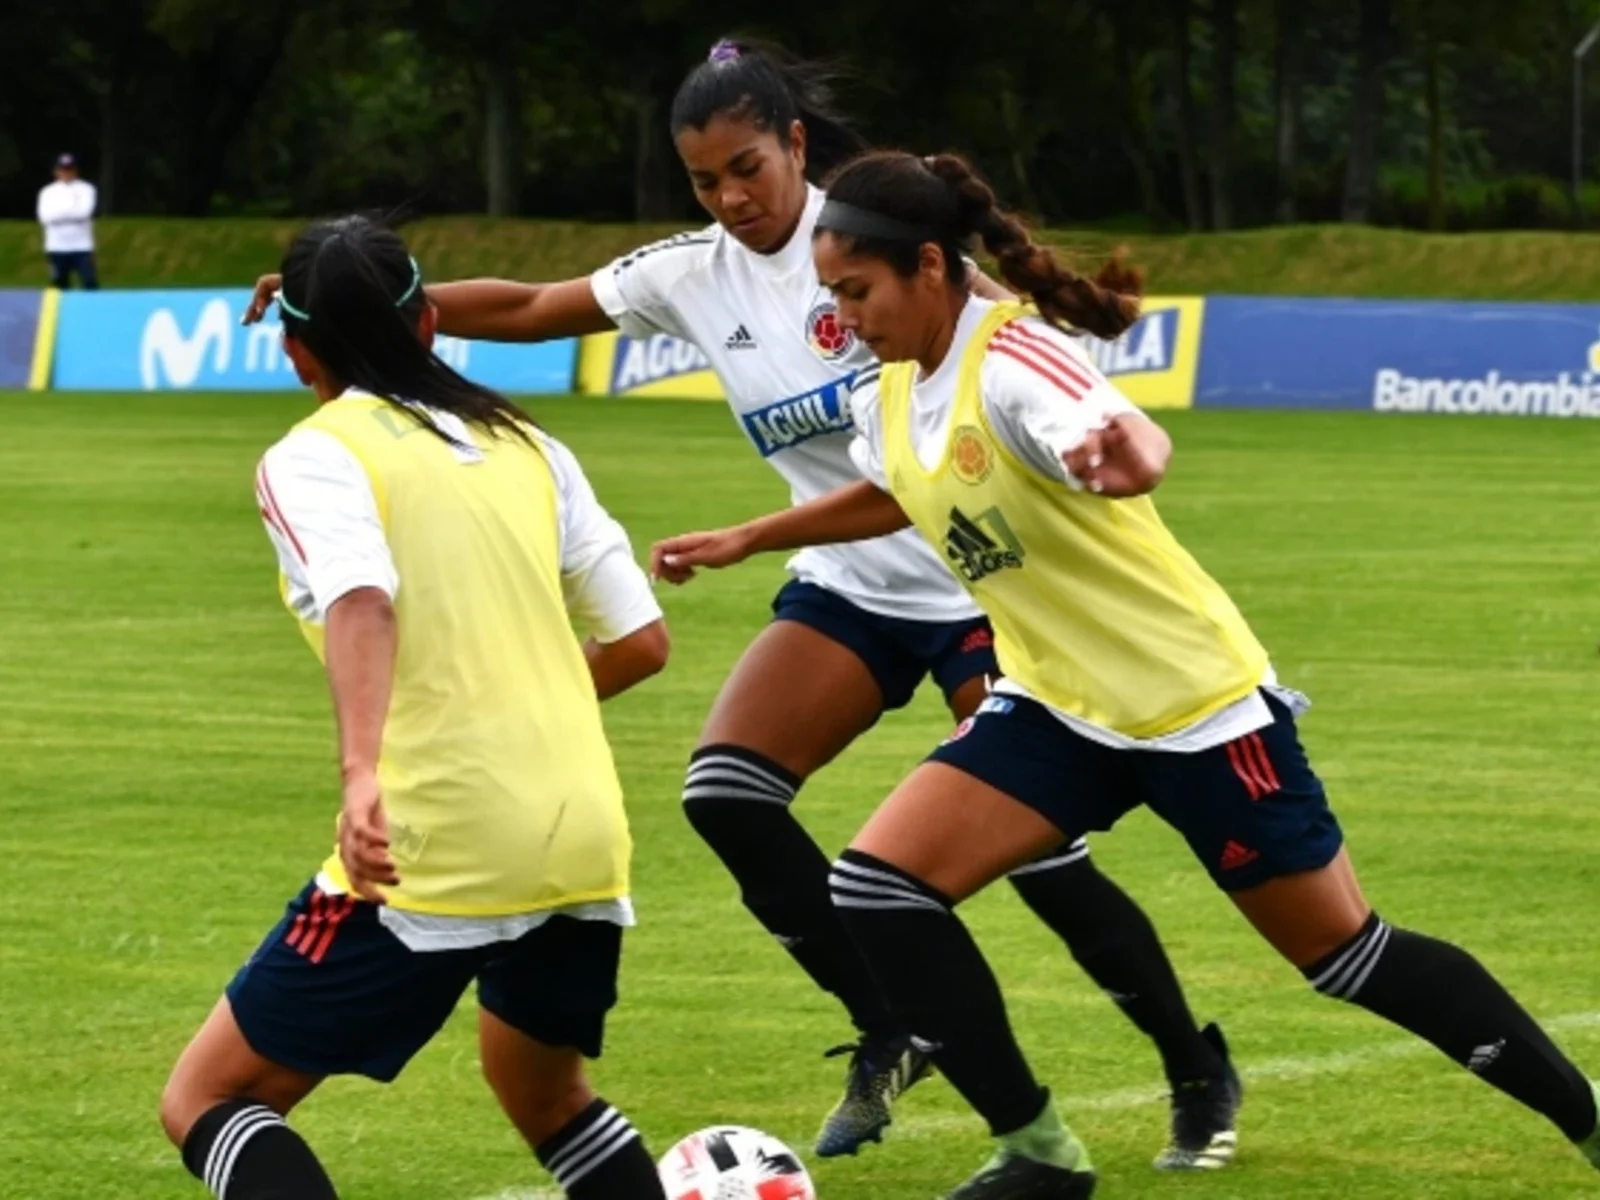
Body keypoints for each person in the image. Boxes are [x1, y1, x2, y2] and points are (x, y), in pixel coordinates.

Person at [241, 40, 1242, 1172]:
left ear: (796, 146)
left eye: (747, 168)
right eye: (705, 180)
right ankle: (889, 1023)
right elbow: (526, 302)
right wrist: (363, 298)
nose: (730, 198)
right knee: (726, 791)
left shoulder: (874, 239)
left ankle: (1192, 1064)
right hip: (847, 588)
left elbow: (1017, 362)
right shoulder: (691, 272)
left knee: (1036, 851)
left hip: (973, 583)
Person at [650, 148, 1600, 1199]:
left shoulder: (1010, 359)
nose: (841, 316)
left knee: (1343, 956)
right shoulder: (886, 390)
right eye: (831, 294)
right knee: (878, 887)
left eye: (856, 292)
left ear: (928, 267)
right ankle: (1039, 1152)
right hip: (1057, 707)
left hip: (1190, 710)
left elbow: (1114, 429)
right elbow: (895, 491)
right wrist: (752, 534)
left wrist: (1130, 456)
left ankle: (1588, 1124)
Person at [160, 215, 673, 1200]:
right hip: (581, 835)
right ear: (430, 323)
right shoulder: (525, 442)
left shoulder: (313, 456)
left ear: (292, 347)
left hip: (432, 838)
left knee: (208, 1099)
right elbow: (642, 642)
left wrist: (361, 776)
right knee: (547, 1095)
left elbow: (361, 596)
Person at [36, 153, 99, 290]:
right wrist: (71, 212)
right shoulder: (47, 192)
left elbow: (84, 212)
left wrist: (59, 213)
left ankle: (93, 310)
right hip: (57, 246)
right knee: (59, 284)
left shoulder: (86, 189)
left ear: (75, 171)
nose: (66, 173)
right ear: (56, 171)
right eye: (63, 169)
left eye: (69, 169)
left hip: (82, 246)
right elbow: (45, 217)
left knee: (89, 282)